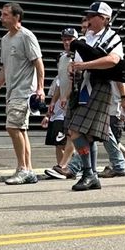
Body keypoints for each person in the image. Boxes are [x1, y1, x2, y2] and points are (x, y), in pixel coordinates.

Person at [66, 1, 125, 192]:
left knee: (76, 130)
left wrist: (84, 66)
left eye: (92, 16)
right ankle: (92, 174)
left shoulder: (113, 37)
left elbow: (113, 61)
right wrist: (74, 68)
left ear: (104, 19)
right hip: (81, 85)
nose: (88, 19)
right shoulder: (86, 37)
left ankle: (88, 173)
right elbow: (77, 61)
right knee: (84, 134)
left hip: (99, 86)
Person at [0, 3, 47, 186]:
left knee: (12, 128)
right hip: (11, 93)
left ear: (16, 17)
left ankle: (23, 169)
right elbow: (5, 68)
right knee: (20, 130)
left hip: (24, 91)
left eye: (5, 15)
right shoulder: (5, 39)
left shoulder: (26, 36)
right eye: (1, 14)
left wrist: (40, 88)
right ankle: (28, 170)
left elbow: (39, 63)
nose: (1, 18)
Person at [42, 28, 77, 180]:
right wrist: (53, 101)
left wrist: (66, 96)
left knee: (72, 136)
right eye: (64, 39)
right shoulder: (62, 58)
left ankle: (64, 166)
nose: (67, 42)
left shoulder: (79, 57)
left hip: (75, 101)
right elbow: (59, 81)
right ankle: (64, 167)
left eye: (70, 39)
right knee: (63, 138)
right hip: (62, 104)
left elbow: (75, 80)